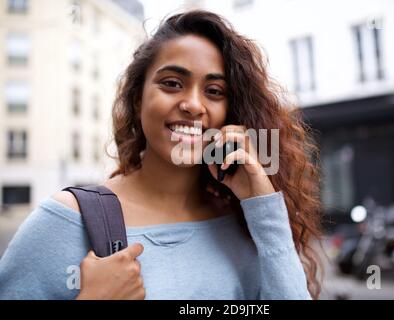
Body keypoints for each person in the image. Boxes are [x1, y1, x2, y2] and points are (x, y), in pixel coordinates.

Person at [0, 10, 322, 300]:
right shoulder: (65, 222)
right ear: (138, 99)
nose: (194, 105)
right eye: (172, 83)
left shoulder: (244, 222)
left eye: (214, 91)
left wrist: (263, 204)